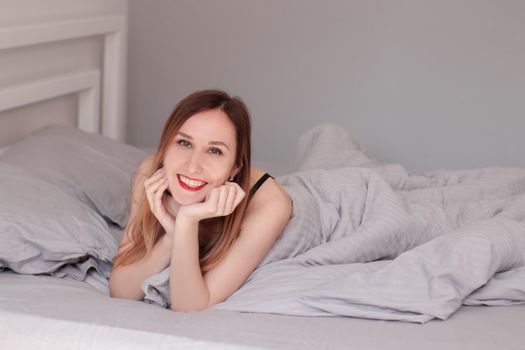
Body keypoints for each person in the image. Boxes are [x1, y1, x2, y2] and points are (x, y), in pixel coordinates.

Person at [109, 89, 292, 312]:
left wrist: (186, 219)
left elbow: (190, 306)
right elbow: (121, 290)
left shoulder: (270, 205)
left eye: (214, 150)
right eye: (184, 143)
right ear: (165, 145)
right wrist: (171, 237)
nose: (193, 166)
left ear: (235, 166)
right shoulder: (151, 175)